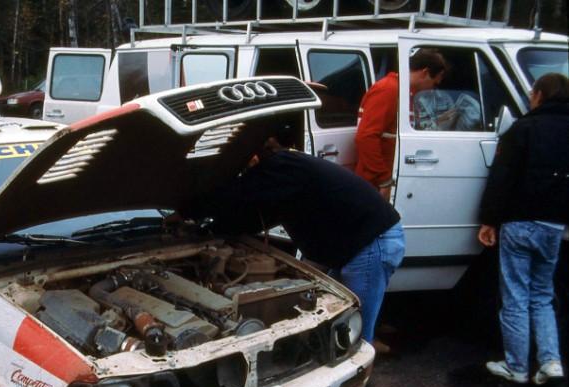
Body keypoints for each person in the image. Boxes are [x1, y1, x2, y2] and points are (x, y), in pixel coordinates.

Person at [184, 134, 405, 346]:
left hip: (371, 242)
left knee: (351, 333)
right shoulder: (285, 176)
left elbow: (240, 193)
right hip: (353, 242)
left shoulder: (284, 165)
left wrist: (188, 209)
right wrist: (208, 232)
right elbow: (254, 218)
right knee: (333, 320)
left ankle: (355, 376)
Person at [478, 72, 569, 385]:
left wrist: (489, 219)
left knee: (515, 295)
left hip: (519, 222)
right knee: (542, 295)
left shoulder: (524, 128)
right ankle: (551, 361)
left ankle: (516, 367)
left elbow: (502, 178)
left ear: (540, 95)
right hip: (554, 226)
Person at [355, 48, 449, 201]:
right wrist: (383, 180)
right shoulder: (389, 90)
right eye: (434, 82)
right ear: (425, 72)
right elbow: (365, 137)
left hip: (384, 179)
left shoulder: (405, 93)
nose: (433, 87)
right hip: (374, 183)